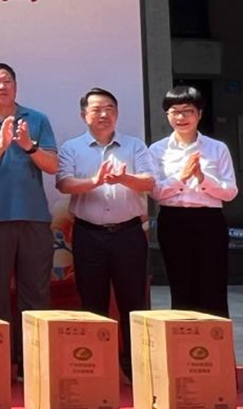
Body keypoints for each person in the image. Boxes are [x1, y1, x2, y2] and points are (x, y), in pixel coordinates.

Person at [0, 62, 59, 377]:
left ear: (16, 85)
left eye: (6, 81)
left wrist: (28, 146)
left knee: (35, 293)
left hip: (34, 218)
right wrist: (1, 147)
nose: (1, 87)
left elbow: (53, 166)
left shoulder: (37, 119)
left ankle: (32, 365)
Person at [55, 88, 155, 381]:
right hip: (89, 235)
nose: (104, 114)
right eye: (97, 109)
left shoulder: (134, 145)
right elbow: (64, 184)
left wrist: (124, 178)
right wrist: (95, 181)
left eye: (110, 108)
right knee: (92, 301)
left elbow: (149, 182)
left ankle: (136, 369)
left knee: (133, 301)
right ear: (83, 115)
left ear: (117, 113)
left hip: (129, 234)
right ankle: (96, 369)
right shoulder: (72, 147)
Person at [150, 85, 238, 318]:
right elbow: (156, 193)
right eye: (174, 111)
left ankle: (215, 338)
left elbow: (230, 192)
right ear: (167, 115)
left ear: (199, 113)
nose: (181, 117)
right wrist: (182, 177)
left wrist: (202, 178)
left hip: (209, 220)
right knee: (180, 284)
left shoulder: (217, 148)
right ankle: (184, 336)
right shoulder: (157, 150)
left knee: (213, 284)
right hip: (173, 220)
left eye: (187, 111)